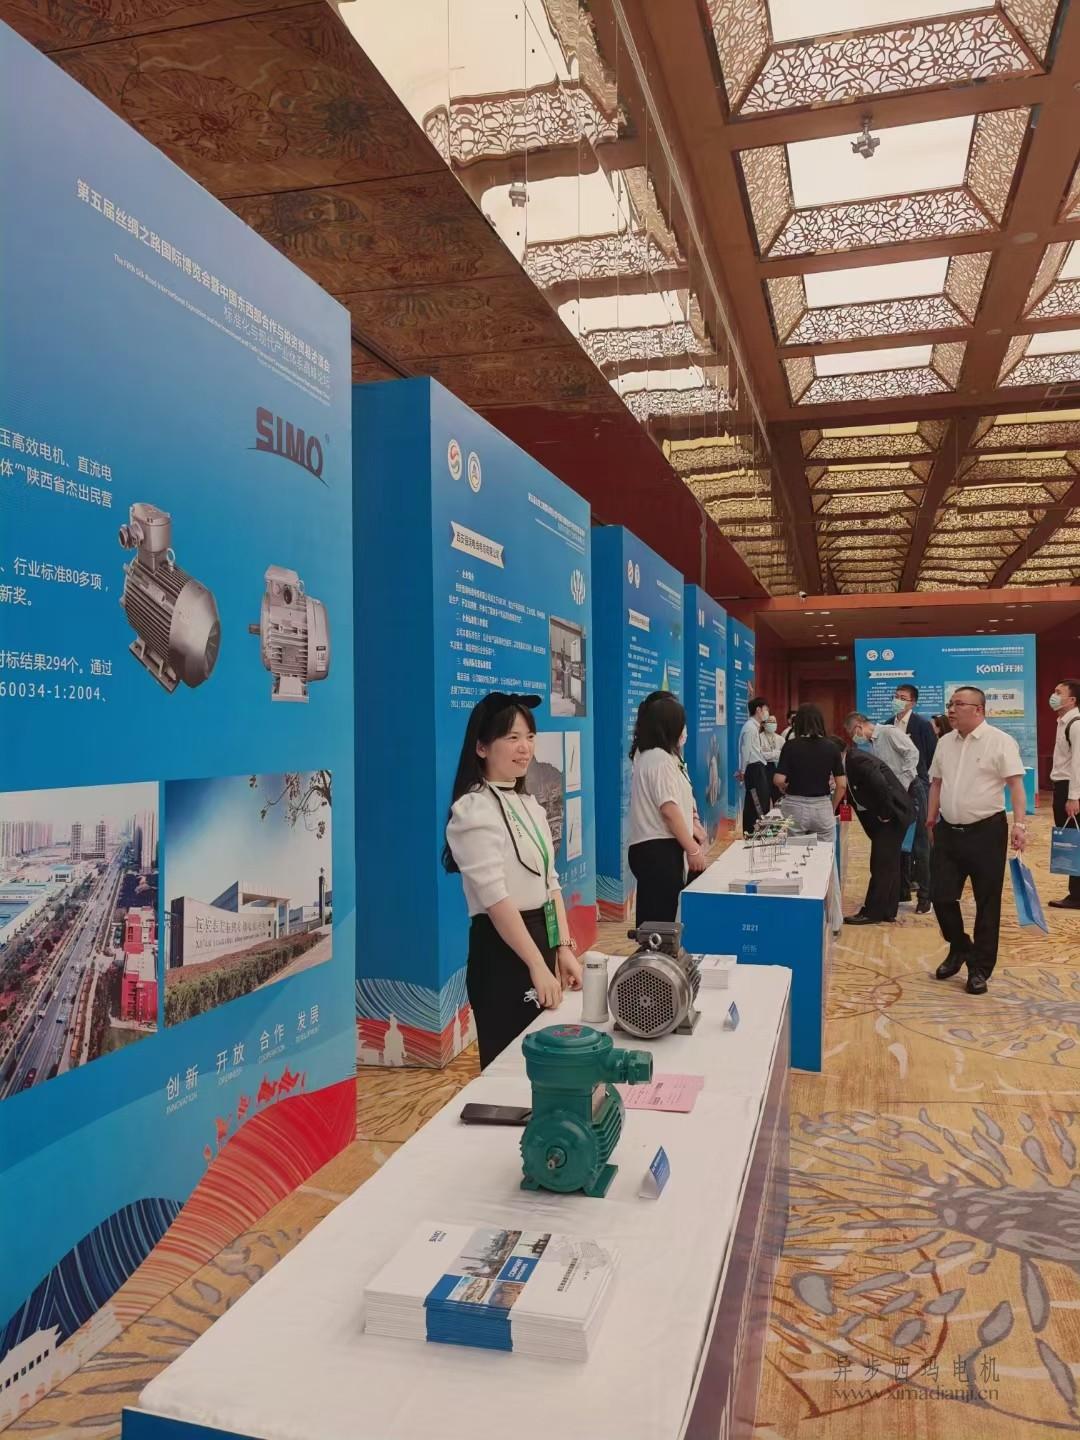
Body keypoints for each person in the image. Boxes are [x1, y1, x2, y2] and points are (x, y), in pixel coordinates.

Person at [444, 692, 582, 1069]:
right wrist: (536, 963)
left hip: (540, 940)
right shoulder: (472, 810)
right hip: (502, 950)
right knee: (509, 1068)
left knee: (543, 1061)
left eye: (530, 737)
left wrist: (563, 948)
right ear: (482, 747)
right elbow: (496, 900)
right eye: (512, 738)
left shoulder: (529, 804)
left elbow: (551, 883)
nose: (525, 748)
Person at [927, 686, 1026, 995]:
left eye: (959, 704)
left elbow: (1016, 786)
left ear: (979, 710)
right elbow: (936, 783)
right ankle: (960, 946)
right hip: (947, 831)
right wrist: (930, 818)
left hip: (987, 832)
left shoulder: (1000, 741)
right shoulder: (945, 742)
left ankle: (980, 968)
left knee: (987, 901)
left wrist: (1020, 824)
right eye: (950, 703)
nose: (951, 709)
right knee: (941, 896)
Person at [628, 692, 706, 927]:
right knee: (661, 922)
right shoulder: (659, 759)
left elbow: (681, 801)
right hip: (658, 850)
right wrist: (692, 848)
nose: (684, 730)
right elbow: (669, 810)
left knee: (658, 918)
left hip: (656, 850)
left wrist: (694, 822)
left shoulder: (662, 757)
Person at [773, 704, 847, 932]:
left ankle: (798, 918)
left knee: (795, 862)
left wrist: (786, 790)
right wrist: (830, 807)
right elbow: (842, 784)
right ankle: (834, 921)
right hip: (822, 806)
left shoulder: (791, 746)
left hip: (794, 806)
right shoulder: (831, 747)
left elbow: (778, 779)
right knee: (829, 864)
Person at [846, 711, 924, 919]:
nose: (854, 737)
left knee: (910, 848)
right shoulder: (872, 744)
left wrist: (901, 785)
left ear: (859, 726)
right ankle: (890, 905)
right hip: (891, 796)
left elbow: (912, 753)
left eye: (852, 732)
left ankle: (888, 906)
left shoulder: (889, 733)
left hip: (906, 791)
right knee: (891, 856)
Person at [892, 683, 937, 913]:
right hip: (894, 789)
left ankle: (925, 896)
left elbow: (932, 758)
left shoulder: (922, 725)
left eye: (903, 697)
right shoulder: (888, 724)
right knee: (897, 841)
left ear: (913, 702)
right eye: (896, 696)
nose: (898, 700)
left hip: (917, 787)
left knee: (920, 843)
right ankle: (902, 889)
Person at [1049, 677, 1080, 910]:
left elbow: (1078, 763)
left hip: (1070, 788)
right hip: (1062, 787)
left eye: (1059, 692)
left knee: (1074, 842)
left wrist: (1073, 797)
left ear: (1072, 700)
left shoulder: (1075, 724)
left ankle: (1077, 896)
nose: (1054, 696)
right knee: (1071, 841)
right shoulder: (1063, 722)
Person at [736, 695, 771, 835]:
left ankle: (757, 830)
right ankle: (753, 831)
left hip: (757, 768)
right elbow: (745, 750)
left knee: (761, 800)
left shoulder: (753, 727)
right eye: (766, 709)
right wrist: (743, 771)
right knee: (756, 802)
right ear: (758, 710)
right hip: (754, 769)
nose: (767, 713)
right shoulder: (750, 727)